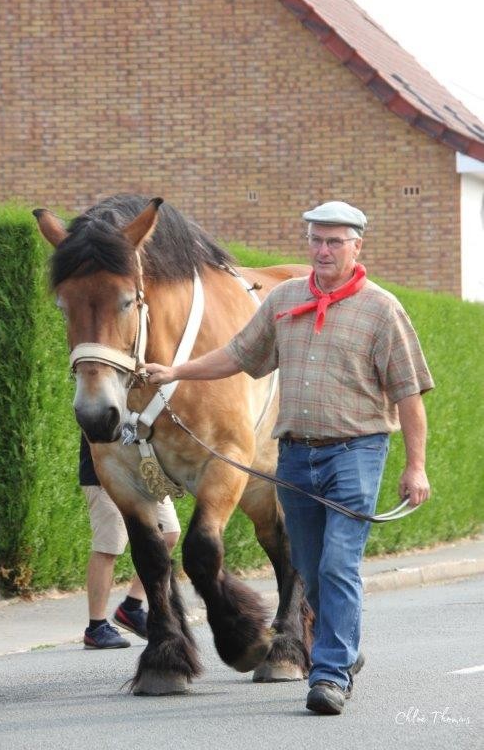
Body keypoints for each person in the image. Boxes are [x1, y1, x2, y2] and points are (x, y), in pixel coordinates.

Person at [144, 200, 434, 715]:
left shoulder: (381, 308)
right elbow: (237, 355)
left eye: (335, 242)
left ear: (356, 246)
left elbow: (409, 394)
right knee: (310, 567)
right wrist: (176, 372)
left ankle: (329, 675)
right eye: (317, 241)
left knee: (340, 563)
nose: (323, 251)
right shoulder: (283, 300)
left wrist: (415, 466)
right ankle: (340, 647)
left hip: (356, 453)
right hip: (296, 457)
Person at [79, 434, 181, 649]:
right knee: (109, 546)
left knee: (169, 533)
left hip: (147, 473)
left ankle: (131, 608)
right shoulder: (106, 398)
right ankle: (96, 627)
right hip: (107, 473)